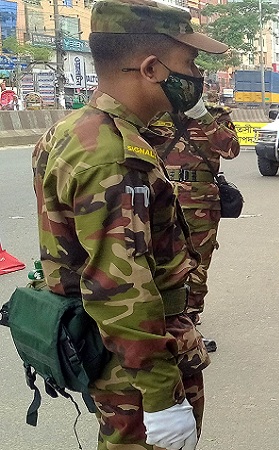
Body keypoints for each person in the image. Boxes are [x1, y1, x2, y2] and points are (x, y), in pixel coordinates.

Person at [31, 0, 228, 449]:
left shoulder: (71, 130)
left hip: (111, 350)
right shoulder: (115, 154)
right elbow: (118, 284)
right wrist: (161, 397)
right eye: (190, 62)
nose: (197, 75)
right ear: (153, 68)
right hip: (136, 363)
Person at [149, 101, 240, 351]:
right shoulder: (153, 110)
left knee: (197, 265)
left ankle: (189, 326)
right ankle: (158, 324)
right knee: (158, 261)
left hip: (201, 201)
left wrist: (203, 116)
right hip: (159, 197)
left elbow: (231, 149)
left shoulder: (215, 114)